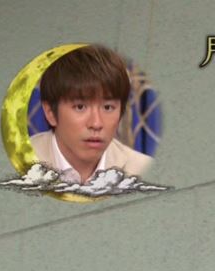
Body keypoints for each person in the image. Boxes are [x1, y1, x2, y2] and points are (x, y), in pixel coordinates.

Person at [31, 44, 153, 184]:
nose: (96, 123)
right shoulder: (21, 162)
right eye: (80, 107)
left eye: (107, 107)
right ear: (50, 113)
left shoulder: (143, 170)